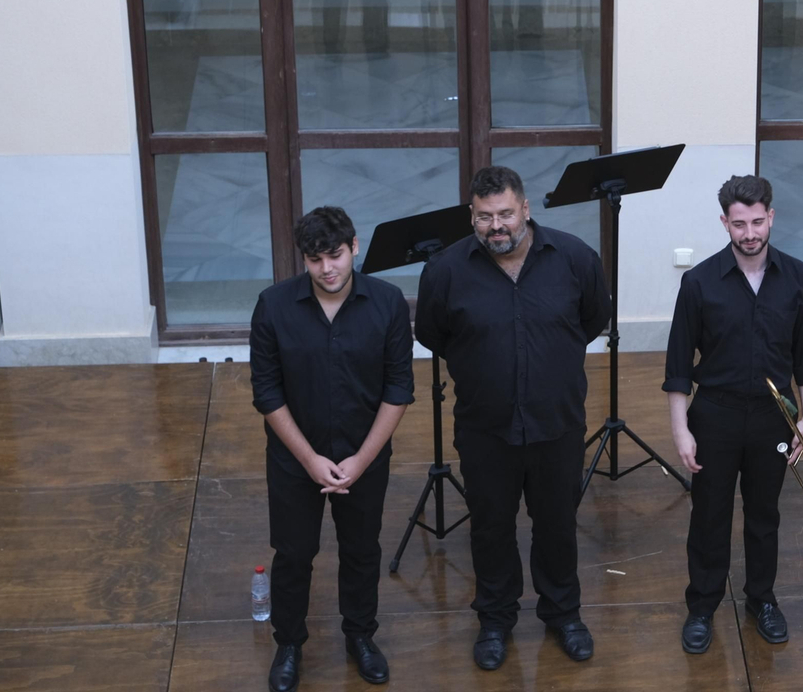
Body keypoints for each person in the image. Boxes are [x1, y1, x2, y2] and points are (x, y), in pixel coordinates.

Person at [415, 166, 612, 668]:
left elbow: (593, 319)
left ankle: (564, 614)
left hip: (557, 424)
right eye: (485, 217)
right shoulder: (445, 271)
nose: (496, 225)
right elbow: (433, 334)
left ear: (525, 209)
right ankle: (495, 621)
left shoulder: (574, 258)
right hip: (485, 428)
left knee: (557, 525)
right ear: (471, 217)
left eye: (505, 213)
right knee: (491, 528)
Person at [251, 206, 414, 692]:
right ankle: (288, 644)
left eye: (336, 255)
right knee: (293, 553)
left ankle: (360, 636)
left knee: (362, 550)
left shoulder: (388, 303)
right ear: (303, 258)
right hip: (294, 460)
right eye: (315, 259)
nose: (327, 268)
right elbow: (267, 393)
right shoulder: (273, 305)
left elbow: (398, 389)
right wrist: (309, 459)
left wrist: (361, 460)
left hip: (364, 456)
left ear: (354, 247)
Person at [664, 176, 803, 654]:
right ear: (724, 222)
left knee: (764, 514)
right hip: (715, 415)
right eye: (739, 224)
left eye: (757, 222)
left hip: (774, 417)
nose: (750, 233)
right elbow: (678, 366)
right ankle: (702, 605)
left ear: (771, 217)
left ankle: (762, 600)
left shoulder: (797, 277)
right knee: (709, 515)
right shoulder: (698, 282)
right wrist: (681, 429)